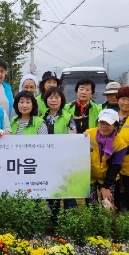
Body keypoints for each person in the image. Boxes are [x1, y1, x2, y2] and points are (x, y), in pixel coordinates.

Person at [41, 86, 77, 217]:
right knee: (52, 190)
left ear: (62, 100)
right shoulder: (42, 118)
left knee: (68, 191)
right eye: (50, 98)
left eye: (57, 97)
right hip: (48, 161)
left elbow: (73, 136)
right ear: (46, 100)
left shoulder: (68, 117)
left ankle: (69, 219)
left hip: (65, 159)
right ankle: (54, 219)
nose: (53, 100)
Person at [86, 109, 127, 209]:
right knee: (91, 206)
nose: (104, 126)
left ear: (115, 126)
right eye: (102, 122)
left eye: (108, 124)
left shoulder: (120, 144)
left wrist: (106, 187)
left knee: (107, 205)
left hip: (107, 178)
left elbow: (115, 167)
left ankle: (108, 219)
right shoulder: (88, 134)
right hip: (90, 177)